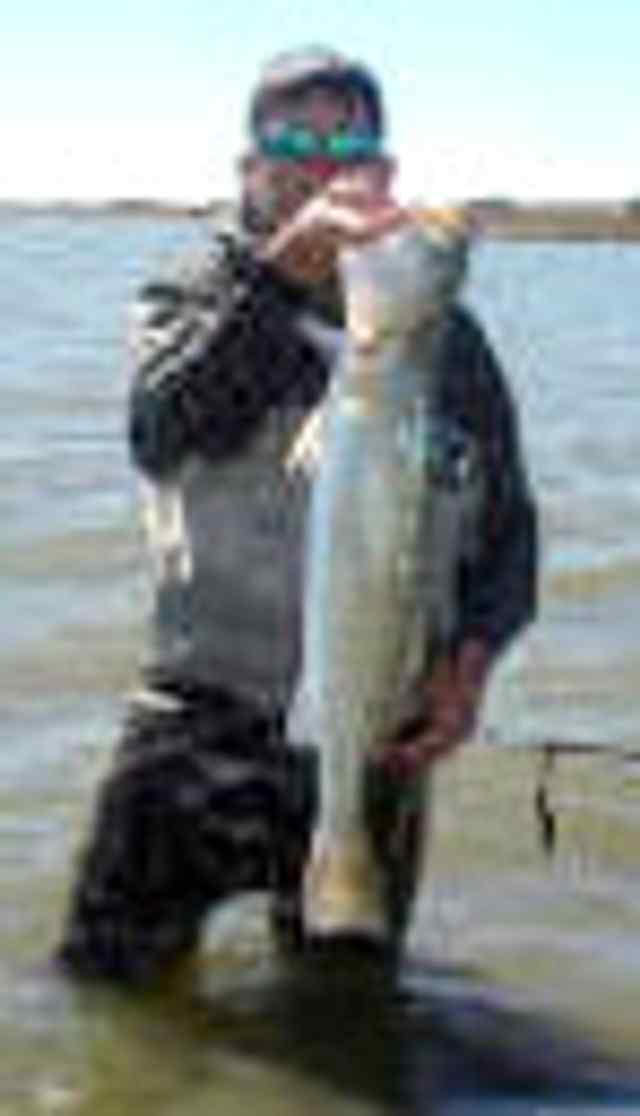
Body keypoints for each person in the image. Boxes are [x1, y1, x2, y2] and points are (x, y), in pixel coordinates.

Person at [56, 46, 537, 983]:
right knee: (107, 991)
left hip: (378, 731)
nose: (321, 165)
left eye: (348, 146)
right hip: (198, 718)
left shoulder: (448, 343)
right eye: (292, 142)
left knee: (348, 1014)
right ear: (249, 169)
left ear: (384, 173)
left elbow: (510, 531)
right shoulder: (192, 297)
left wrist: (471, 668)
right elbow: (162, 429)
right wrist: (281, 277)